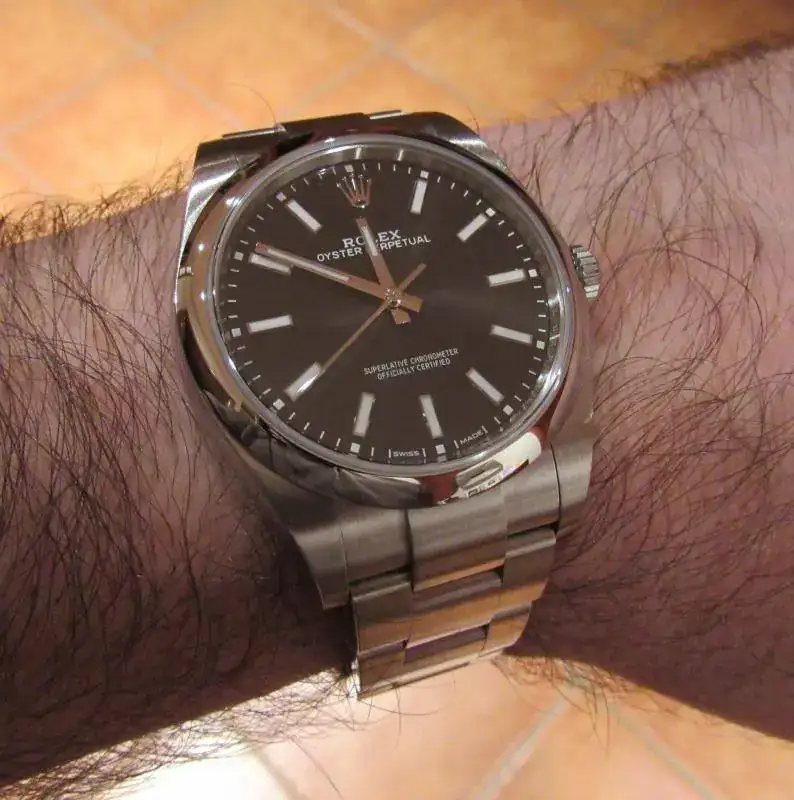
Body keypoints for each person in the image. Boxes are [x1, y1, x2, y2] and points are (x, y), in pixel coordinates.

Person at [1, 38, 793, 798]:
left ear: (573, 275)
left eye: (397, 293)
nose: (394, 300)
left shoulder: (549, 329)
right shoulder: (229, 289)